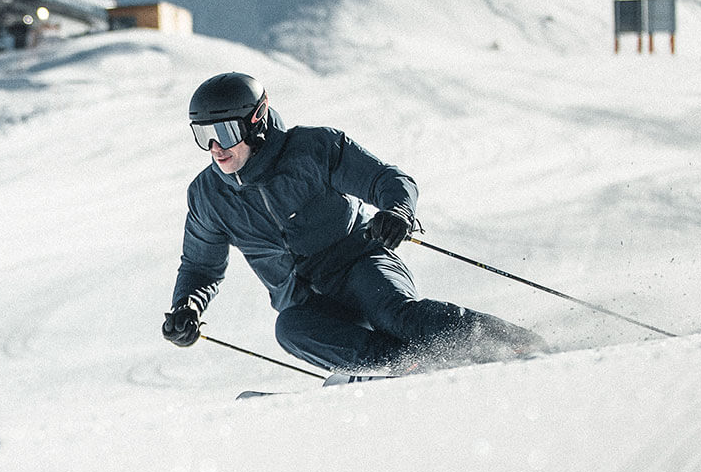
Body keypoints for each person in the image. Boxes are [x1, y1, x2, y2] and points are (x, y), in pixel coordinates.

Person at [160, 72, 546, 379]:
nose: (215, 148)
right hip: (305, 298)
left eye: (224, 133)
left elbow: (387, 180)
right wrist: (186, 307)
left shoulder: (313, 150)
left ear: (256, 122)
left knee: (395, 315)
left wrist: (397, 212)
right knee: (290, 330)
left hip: (360, 263)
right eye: (203, 136)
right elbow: (200, 267)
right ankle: (401, 366)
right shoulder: (208, 195)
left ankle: (517, 344)